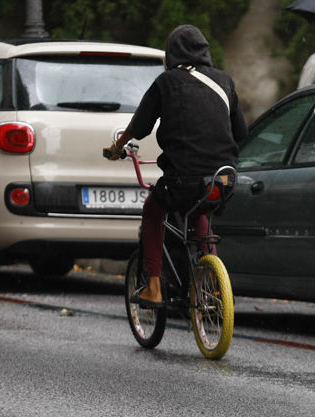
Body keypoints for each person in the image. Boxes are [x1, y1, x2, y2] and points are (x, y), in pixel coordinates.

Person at [102, 25, 248, 306]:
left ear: (171, 54)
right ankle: (212, 283)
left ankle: (154, 288)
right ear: (205, 51)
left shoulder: (166, 82)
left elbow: (140, 127)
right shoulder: (225, 81)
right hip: (224, 177)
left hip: (183, 177)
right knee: (198, 208)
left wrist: (118, 147)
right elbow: (240, 132)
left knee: (152, 212)